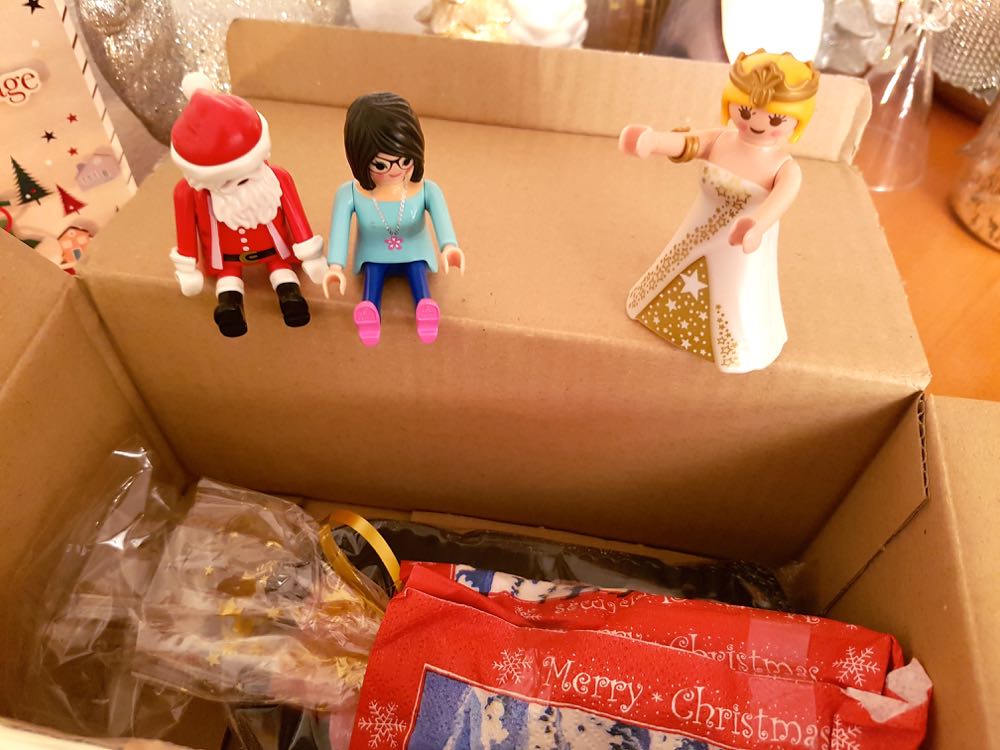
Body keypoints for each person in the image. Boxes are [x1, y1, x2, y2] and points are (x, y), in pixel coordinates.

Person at [619, 50, 819, 373]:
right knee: (672, 269)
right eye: (746, 110)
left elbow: (778, 203)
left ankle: (730, 347)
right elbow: (688, 143)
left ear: (797, 121)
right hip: (696, 231)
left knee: (732, 292)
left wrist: (756, 226)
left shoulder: (784, 168)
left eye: (775, 119)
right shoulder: (721, 140)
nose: (757, 123)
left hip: (739, 245)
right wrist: (652, 141)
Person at [169, 72, 327, 338]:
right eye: (226, 180)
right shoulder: (190, 193)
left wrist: (309, 252)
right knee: (229, 278)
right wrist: (187, 267)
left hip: (276, 250)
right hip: (225, 258)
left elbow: (295, 215)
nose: (239, 183)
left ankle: (290, 298)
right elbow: (185, 231)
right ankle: (230, 307)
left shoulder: (277, 179)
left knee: (281, 269)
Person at [323, 92, 465, 346]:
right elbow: (339, 231)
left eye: (404, 160)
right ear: (360, 160)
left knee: (416, 271)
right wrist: (335, 266)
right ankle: (369, 311)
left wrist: (449, 246)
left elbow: (442, 219)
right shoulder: (350, 194)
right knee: (373, 274)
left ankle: (425, 307)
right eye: (381, 165)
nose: (396, 170)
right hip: (372, 254)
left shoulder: (426, 189)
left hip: (415, 251)